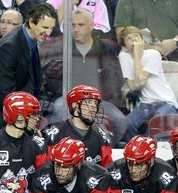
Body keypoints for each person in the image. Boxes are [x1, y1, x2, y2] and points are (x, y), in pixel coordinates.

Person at [0, 3, 58, 137]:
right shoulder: (9, 46)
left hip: (17, 117)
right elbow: (5, 93)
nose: (49, 33)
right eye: (45, 27)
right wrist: (26, 121)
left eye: (51, 28)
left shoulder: (30, 40)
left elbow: (31, 82)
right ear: (32, 22)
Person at [41, 8, 127, 147]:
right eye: (72, 25)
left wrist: (99, 98)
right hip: (69, 99)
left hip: (98, 100)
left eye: (80, 25)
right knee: (58, 111)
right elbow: (50, 78)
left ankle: (99, 147)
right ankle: (62, 148)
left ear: (91, 26)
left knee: (120, 121)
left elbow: (115, 79)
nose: (76, 29)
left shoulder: (105, 49)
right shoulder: (61, 48)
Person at [118, 26, 178, 142]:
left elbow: (139, 83)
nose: (134, 41)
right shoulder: (123, 56)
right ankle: (135, 148)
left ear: (143, 41)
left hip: (165, 102)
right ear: (124, 45)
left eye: (136, 37)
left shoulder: (153, 54)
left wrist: (136, 56)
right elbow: (133, 86)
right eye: (129, 38)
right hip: (146, 103)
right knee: (127, 124)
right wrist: (136, 56)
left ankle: (155, 152)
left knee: (158, 122)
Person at [30, 137, 110, 193]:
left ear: (78, 165)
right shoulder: (41, 177)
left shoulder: (98, 177)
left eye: (65, 167)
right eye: (57, 165)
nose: (59, 172)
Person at [42, 85, 113, 167]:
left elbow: (106, 171)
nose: (94, 107)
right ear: (75, 106)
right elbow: (44, 170)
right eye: (89, 102)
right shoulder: (53, 134)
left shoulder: (101, 136)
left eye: (95, 103)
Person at [107, 135, 178, 193]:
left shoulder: (167, 174)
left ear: (150, 162)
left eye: (139, 165)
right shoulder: (114, 171)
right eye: (129, 164)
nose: (133, 170)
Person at [114, 0, 178, 61]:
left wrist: (175, 42)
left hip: (175, 55)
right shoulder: (127, 2)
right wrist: (149, 48)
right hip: (140, 58)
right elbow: (121, 35)